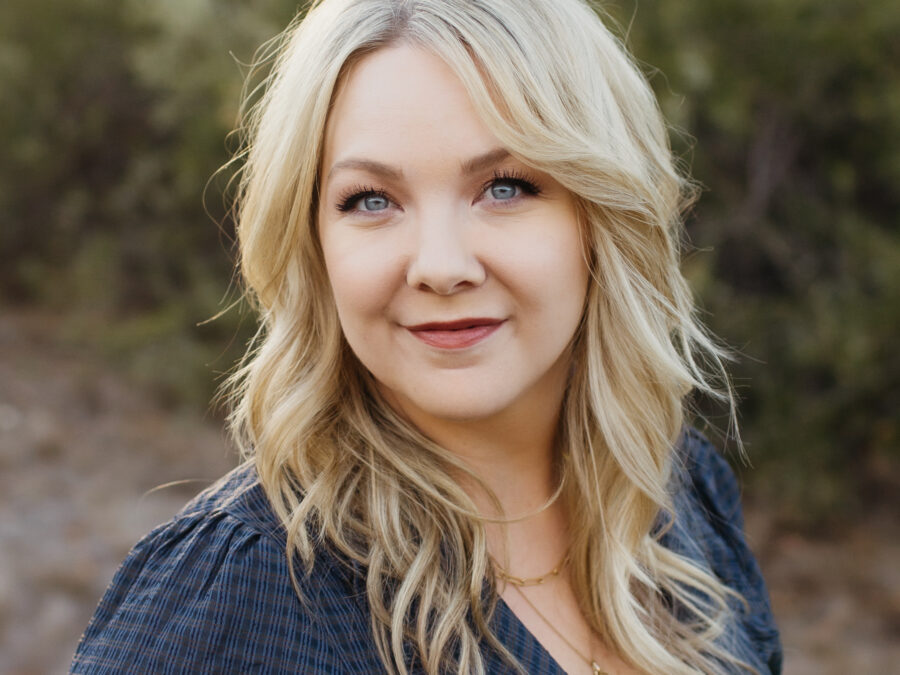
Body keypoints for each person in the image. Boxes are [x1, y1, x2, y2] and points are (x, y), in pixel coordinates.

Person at [71, 0, 781, 673]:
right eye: (371, 200)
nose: (440, 267)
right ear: (312, 244)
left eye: (505, 187)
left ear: (603, 217)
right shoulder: (244, 594)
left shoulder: (680, 499)